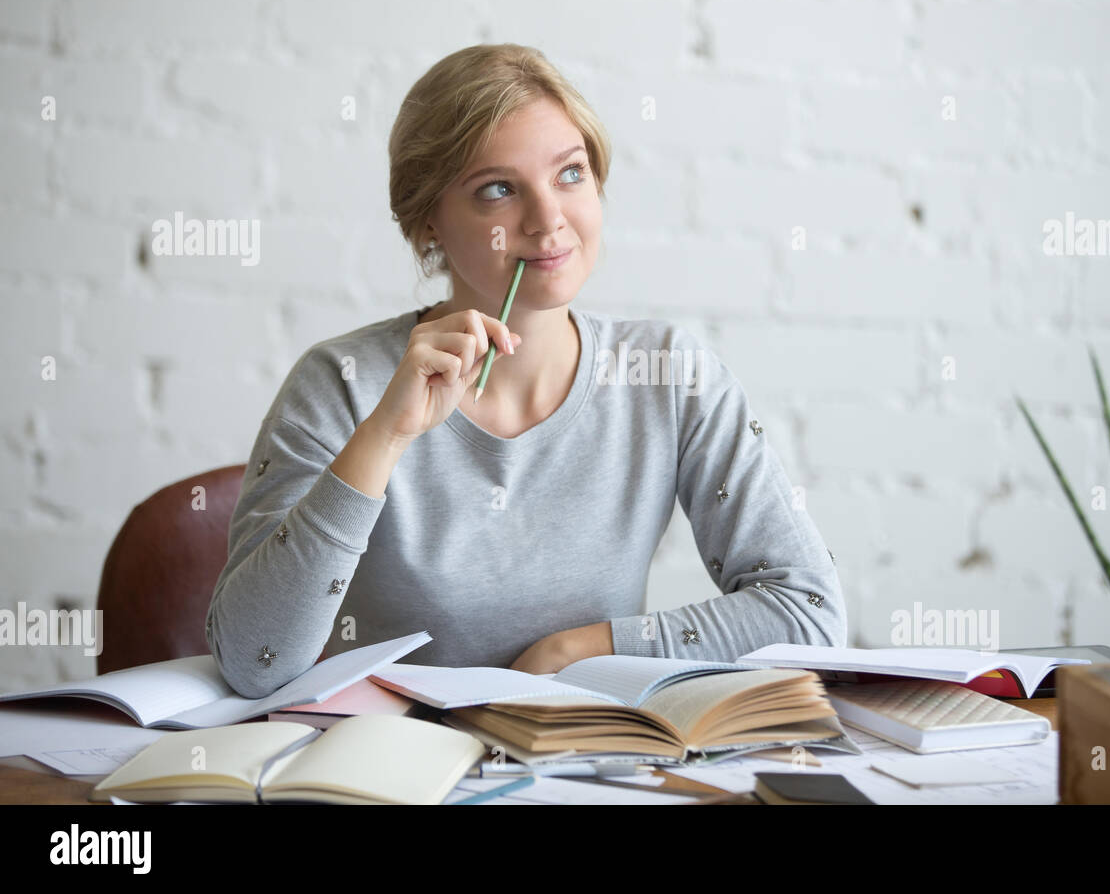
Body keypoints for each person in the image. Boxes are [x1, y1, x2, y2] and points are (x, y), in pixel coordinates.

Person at [206, 43, 846, 700]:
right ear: (429, 224)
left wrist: (580, 649)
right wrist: (385, 437)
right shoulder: (339, 382)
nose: (548, 221)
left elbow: (810, 614)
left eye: (570, 174)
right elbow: (255, 660)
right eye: (499, 190)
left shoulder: (669, 375)